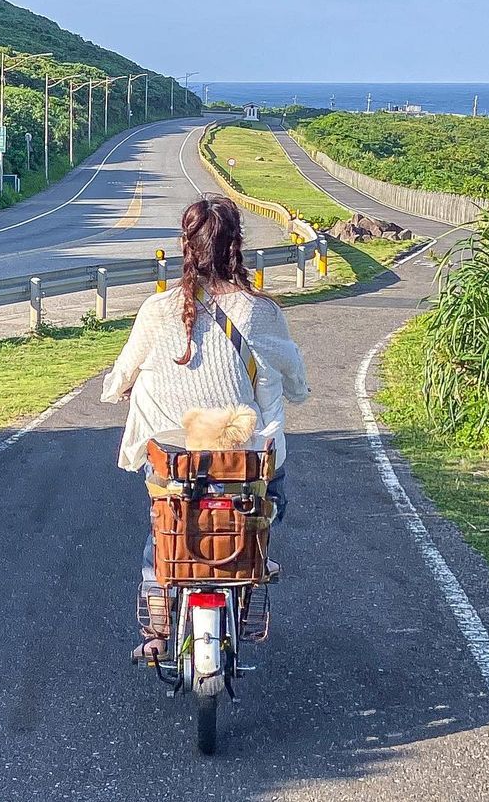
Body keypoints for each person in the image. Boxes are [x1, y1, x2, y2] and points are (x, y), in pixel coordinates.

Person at [102, 196, 310, 648]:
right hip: (241, 461)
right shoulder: (261, 311)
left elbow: (122, 373)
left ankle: (157, 631)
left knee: (163, 530)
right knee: (268, 502)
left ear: (185, 246)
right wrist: (295, 393)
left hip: (176, 462)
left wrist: (117, 389)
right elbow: (292, 372)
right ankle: (252, 567)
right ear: (236, 246)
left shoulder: (157, 310)